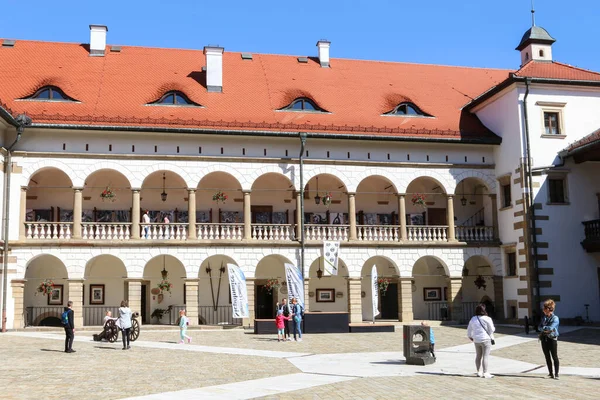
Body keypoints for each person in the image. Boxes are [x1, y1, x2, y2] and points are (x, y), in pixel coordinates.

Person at [467, 304, 495, 378]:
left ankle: (478, 371)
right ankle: (485, 372)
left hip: (476, 340)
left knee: (478, 356)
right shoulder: (487, 319)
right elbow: (492, 329)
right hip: (485, 339)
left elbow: (469, 329)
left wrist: (470, 336)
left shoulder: (473, 319)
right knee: (485, 356)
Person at [539, 299, 560, 380]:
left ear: (549, 309)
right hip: (544, 338)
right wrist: (544, 329)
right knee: (547, 356)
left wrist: (544, 328)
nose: (543, 309)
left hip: (552, 339)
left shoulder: (555, 318)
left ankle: (556, 374)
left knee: (554, 356)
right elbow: (539, 327)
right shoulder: (544, 318)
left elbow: (551, 327)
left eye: (545, 308)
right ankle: (550, 373)